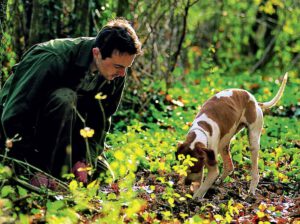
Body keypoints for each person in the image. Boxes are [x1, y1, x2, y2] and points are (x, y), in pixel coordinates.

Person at [0, 18, 142, 184]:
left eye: (127, 67)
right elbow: (12, 116)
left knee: (103, 178)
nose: (123, 74)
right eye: (119, 67)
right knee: (65, 98)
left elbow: (100, 121)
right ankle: (52, 176)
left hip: (67, 137)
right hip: (25, 138)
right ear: (97, 53)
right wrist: (30, 168)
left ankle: (63, 175)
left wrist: (85, 160)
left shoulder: (115, 73)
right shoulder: (52, 58)